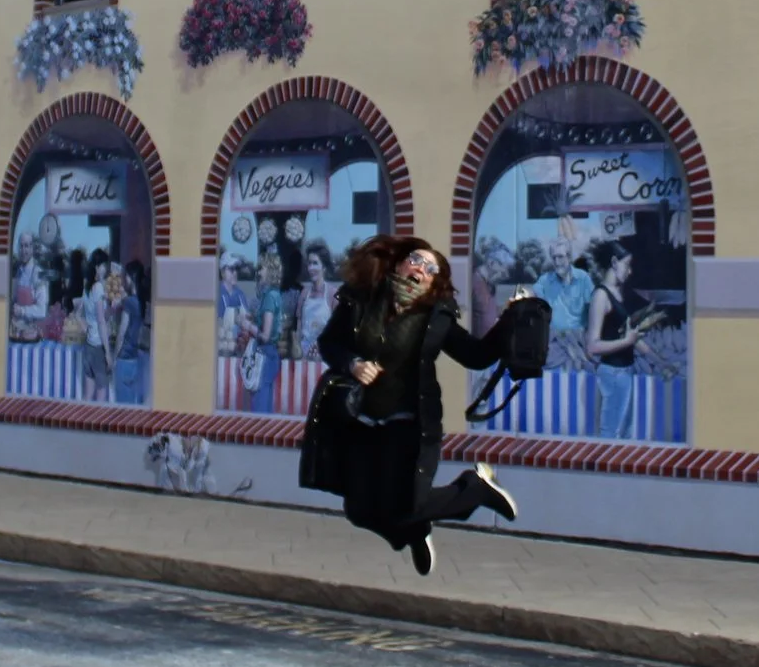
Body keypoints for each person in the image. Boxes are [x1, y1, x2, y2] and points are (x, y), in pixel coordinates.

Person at [316, 235, 518, 574]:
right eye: (415, 261)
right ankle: (415, 532)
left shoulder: (435, 319)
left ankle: (475, 490)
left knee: (407, 502)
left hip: (408, 424)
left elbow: (477, 355)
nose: (420, 269)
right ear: (398, 265)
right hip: (363, 421)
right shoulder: (362, 302)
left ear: (433, 282)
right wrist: (352, 363)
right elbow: (329, 344)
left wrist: (508, 321)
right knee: (359, 510)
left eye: (429, 268)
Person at [583, 241, 651, 440]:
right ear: (614, 262)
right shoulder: (600, 296)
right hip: (612, 373)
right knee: (610, 435)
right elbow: (593, 346)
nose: (629, 271)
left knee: (624, 434)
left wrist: (661, 361)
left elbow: (631, 337)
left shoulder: (618, 295)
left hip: (625, 372)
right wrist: (627, 342)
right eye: (627, 265)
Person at [532, 226, 596, 348]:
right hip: (554, 340)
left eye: (560, 257)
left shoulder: (583, 278)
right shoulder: (545, 280)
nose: (556, 262)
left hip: (579, 339)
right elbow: (531, 296)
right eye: (554, 257)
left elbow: (593, 309)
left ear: (570, 257)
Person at [249, 252, 287, 413]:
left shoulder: (269, 297)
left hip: (264, 354)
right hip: (272, 354)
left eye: (261, 268)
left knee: (260, 404)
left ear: (270, 270)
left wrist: (248, 326)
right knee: (266, 400)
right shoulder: (275, 295)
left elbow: (265, 334)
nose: (258, 272)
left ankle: (256, 436)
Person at [108, 265, 147, 406]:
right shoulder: (143, 303)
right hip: (137, 358)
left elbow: (122, 332)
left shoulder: (129, 302)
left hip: (124, 357)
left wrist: (113, 357)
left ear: (130, 279)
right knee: (134, 404)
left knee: (122, 407)